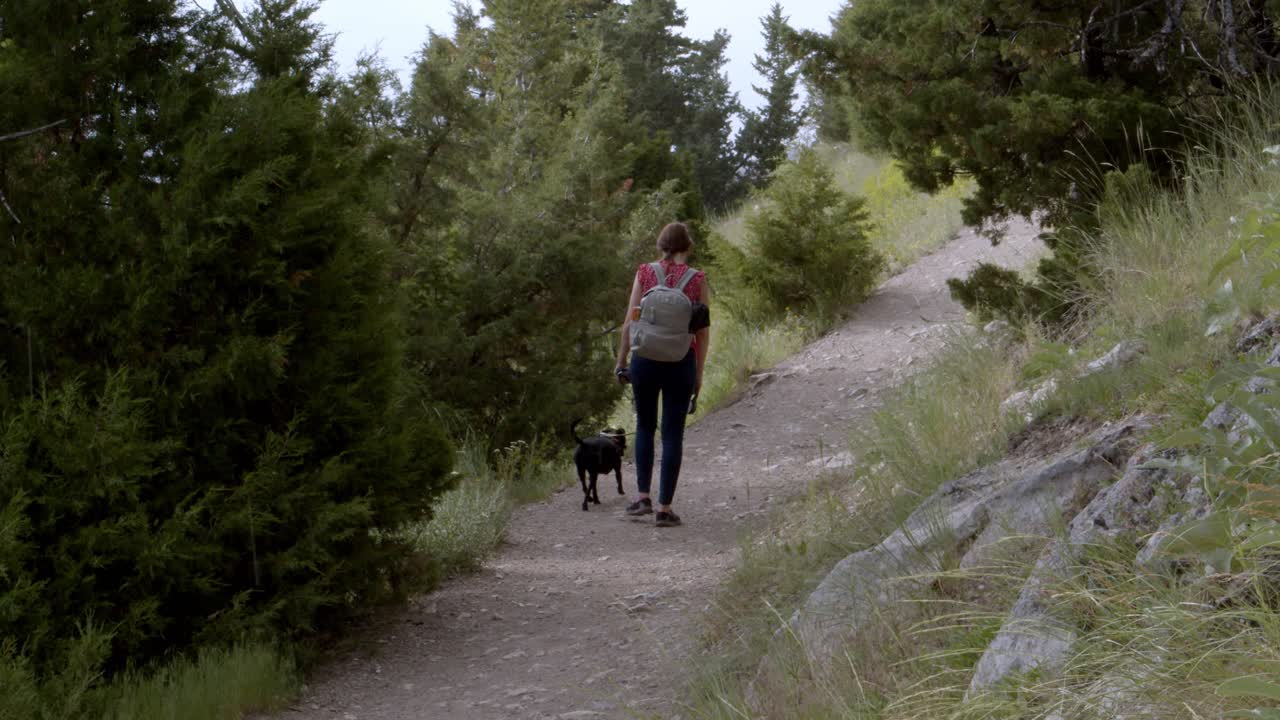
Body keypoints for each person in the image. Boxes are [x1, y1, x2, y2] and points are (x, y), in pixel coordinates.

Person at [614, 222, 709, 527]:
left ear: (661, 245)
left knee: (644, 426)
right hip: (681, 362)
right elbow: (702, 332)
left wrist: (621, 361)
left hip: (645, 360)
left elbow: (631, 320)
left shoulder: (644, 273)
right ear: (688, 246)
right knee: (672, 435)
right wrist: (699, 373)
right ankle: (664, 510)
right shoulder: (697, 280)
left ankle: (642, 498)